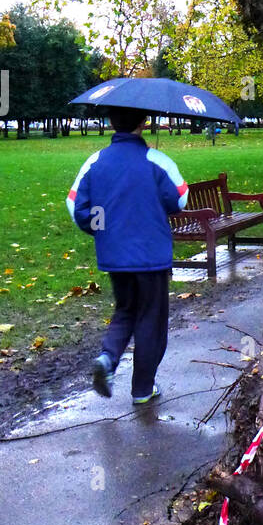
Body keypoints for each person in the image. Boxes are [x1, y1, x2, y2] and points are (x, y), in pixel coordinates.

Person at [66, 108, 189, 404]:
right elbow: (181, 199)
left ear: (110, 122)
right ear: (143, 122)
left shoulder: (95, 162)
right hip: (152, 256)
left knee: (125, 310)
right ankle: (143, 389)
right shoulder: (156, 161)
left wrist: (104, 229)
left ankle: (108, 358)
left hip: (115, 256)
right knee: (151, 318)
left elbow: (74, 206)